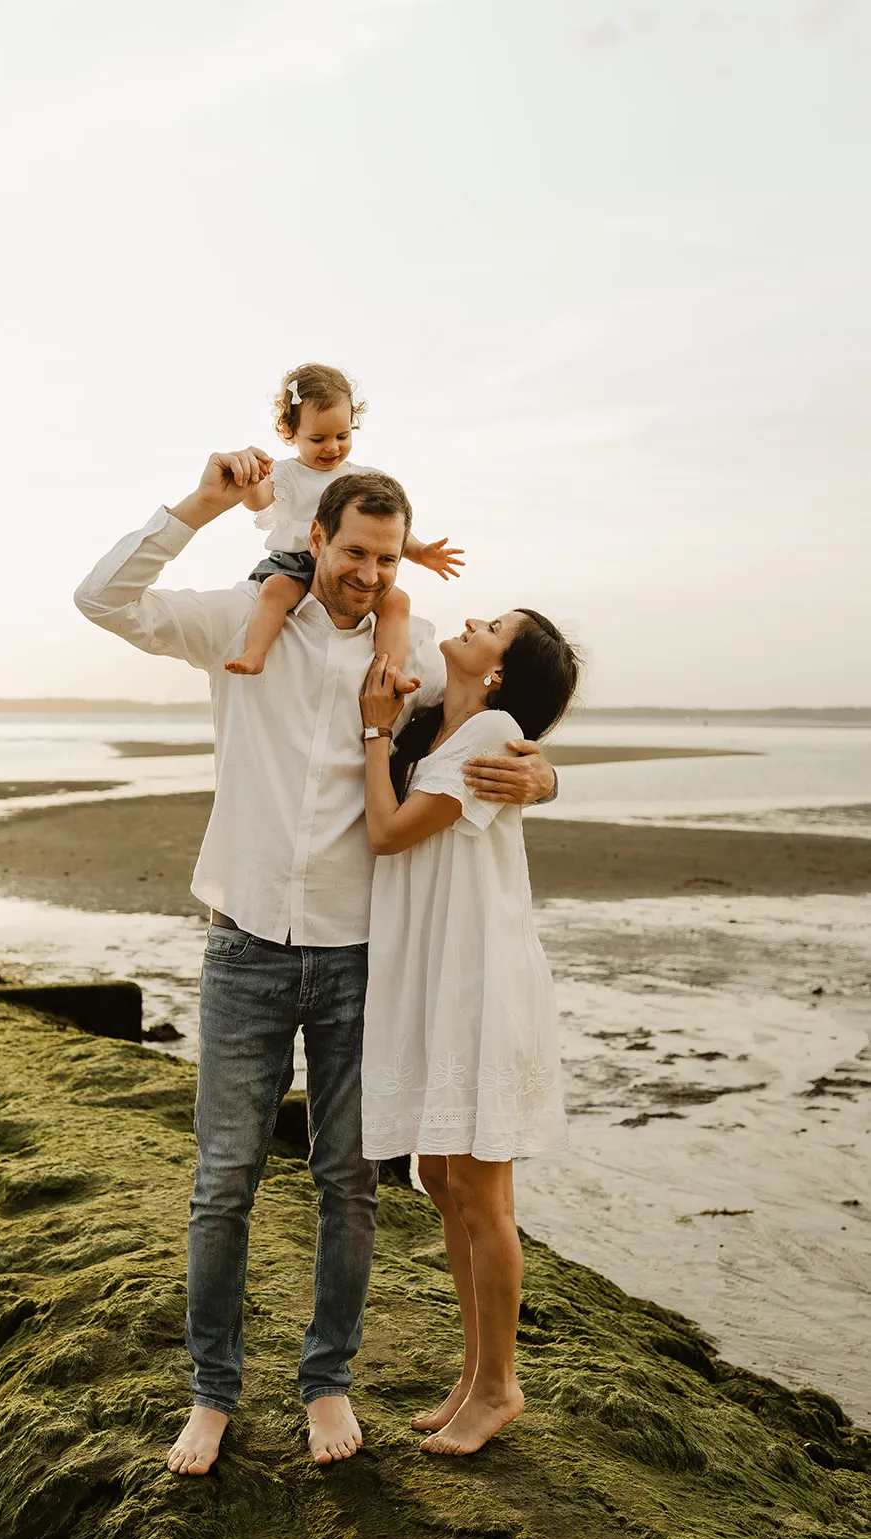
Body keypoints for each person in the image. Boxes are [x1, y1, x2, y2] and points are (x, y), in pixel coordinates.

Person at [73, 447, 558, 1475]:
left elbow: (494, 722)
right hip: (242, 940)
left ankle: (326, 1380)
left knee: (349, 1182)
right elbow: (101, 597)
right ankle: (211, 1393)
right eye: (354, 551)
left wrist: (544, 771)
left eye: (387, 559)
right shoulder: (241, 623)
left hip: (358, 958)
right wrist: (202, 503)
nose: (370, 573)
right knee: (222, 1179)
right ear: (315, 539)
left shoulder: (418, 651)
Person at [358, 610, 580, 1456]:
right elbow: (395, 605)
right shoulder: (437, 721)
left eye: (491, 626)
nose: (470, 619)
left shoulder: (487, 729)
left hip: (478, 977)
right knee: (438, 1177)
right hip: (433, 970)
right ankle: (471, 1371)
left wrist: (375, 737)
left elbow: (387, 833)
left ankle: (499, 1386)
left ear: (499, 674)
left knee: (480, 1191)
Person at [224, 363, 462, 677]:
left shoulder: (362, 477)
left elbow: (387, 533)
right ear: (290, 431)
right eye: (318, 438)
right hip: (295, 564)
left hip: (351, 565)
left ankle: (391, 672)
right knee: (275, 592)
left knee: (397, 602)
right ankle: (254, 654)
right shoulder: (286, 474)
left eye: (342, 435)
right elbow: (257, 501)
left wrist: (420, 553)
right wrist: (248, 479)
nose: (332, 447)